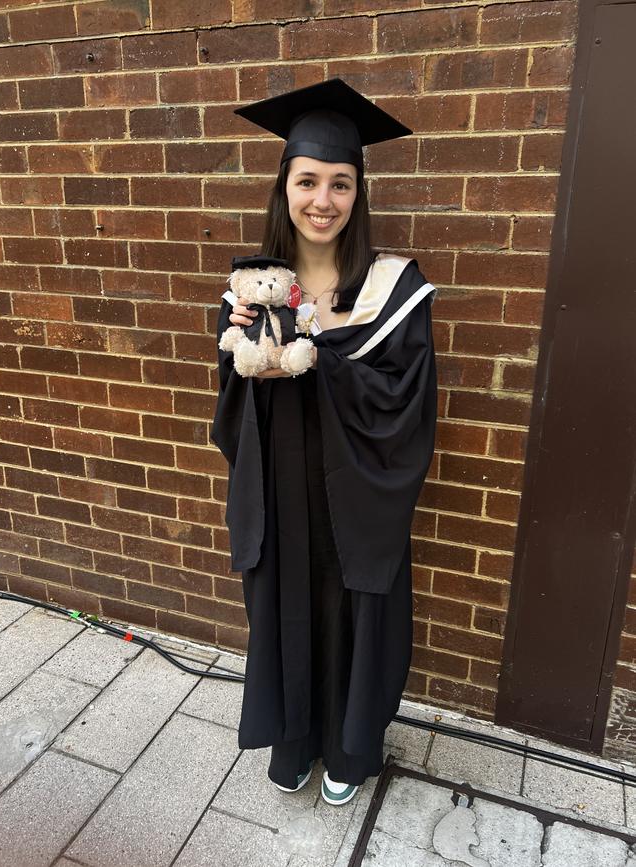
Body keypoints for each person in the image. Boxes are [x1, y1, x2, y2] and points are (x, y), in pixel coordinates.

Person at [211, 78, 438, 807]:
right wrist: (252, 343)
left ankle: (347, 749)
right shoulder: (251, 287)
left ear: (358, 193)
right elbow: (231, 394)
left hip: (357, 490)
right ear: (285, 188)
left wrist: (327, 353)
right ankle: (294, 739)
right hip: (279, 485)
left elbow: (407, 400)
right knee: (286, 607)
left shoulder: (395, 287)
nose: (323, 200)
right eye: (308, 180)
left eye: (341, 183)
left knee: (353, 613)